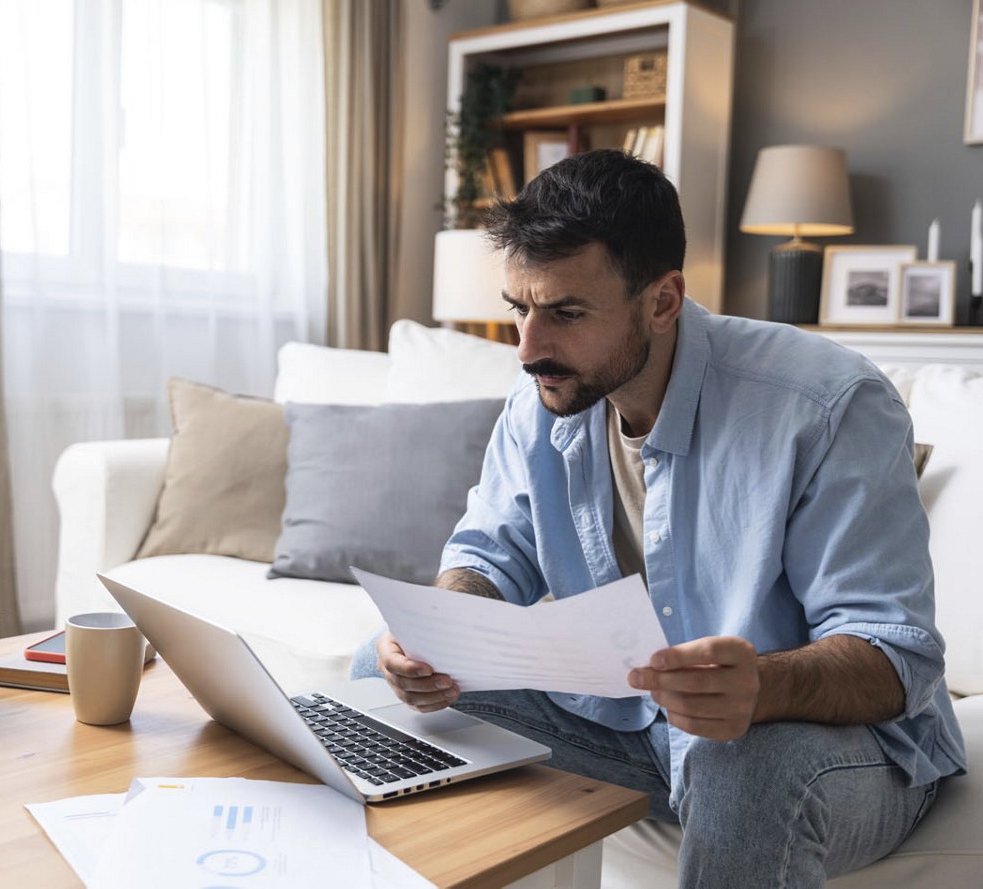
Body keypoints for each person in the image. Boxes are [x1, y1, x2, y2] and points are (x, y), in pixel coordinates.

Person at [356, 149, 965, 887]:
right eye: (520, 308)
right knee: (371, 670)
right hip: (636, 729)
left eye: (566, 313)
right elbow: (490, 554)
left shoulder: (827, 406)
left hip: (838, 749)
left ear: (663, 301)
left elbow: (896, 655)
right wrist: (440, 633)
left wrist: (760, 688)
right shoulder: (544, 397)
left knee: (737, 764)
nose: (527, 349)